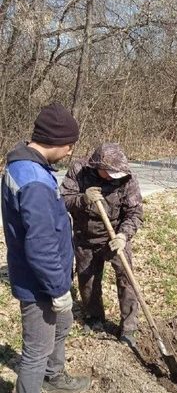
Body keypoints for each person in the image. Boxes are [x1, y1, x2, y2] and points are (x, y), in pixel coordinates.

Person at [1, 102, 91, 393]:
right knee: (35, 348)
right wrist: (56, 290)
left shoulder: (25, 167)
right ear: (55, 141)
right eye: (69, 145)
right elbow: (39, 246)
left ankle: (55, 376)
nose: (70, 151)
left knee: (63, 323)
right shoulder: (34, 182)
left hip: (44, 276)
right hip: (39, 282)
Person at [61, 143, 143, 345]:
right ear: (97, 166)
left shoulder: (127, 178)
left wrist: (123, 236)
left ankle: (129, 326)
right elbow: (62, 200)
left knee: (126, 279)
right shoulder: (78, 170)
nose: (114, 176)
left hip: (114, 236)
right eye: (109, 173)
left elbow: (135, 212)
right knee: (88, 279)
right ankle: (94, 316)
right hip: (85, 237)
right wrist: (82, 199)